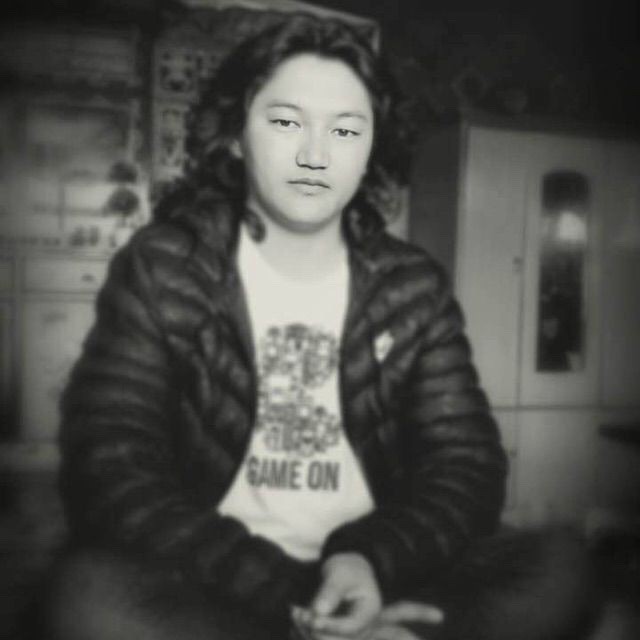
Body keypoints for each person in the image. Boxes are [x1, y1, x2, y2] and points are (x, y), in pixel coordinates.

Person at [43, 13, 596, 640]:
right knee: (86, 597)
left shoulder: (413, 286)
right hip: (224, 578)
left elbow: (466, 467)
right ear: (235, 137)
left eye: (346, 130)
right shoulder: (164, 268)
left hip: (380, 572)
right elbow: (111, 466)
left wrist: (367, 562)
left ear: (371, 151)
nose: (315, 154)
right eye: (286, 123)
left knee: (560, 564)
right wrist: (286, 595)